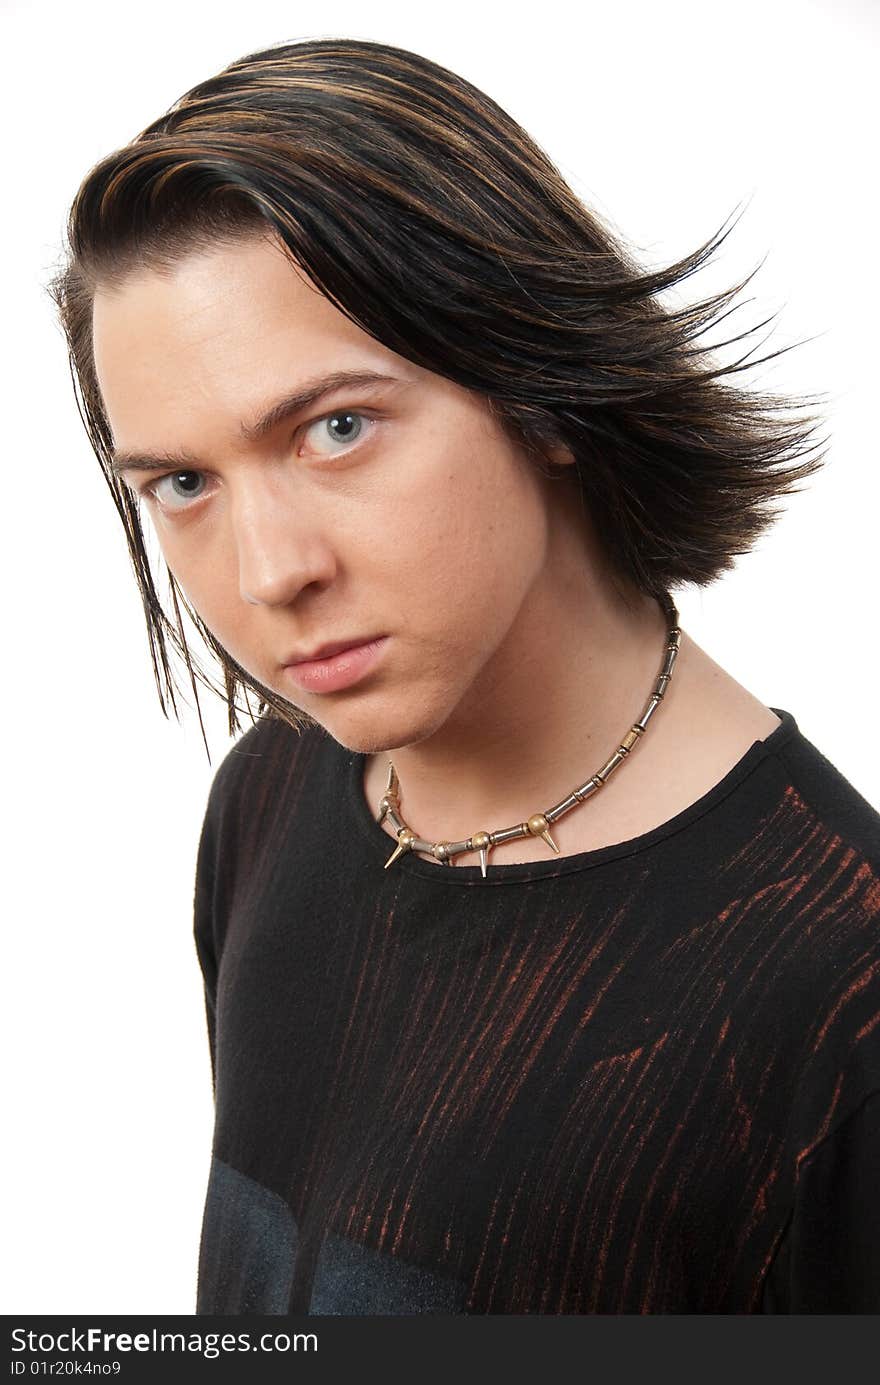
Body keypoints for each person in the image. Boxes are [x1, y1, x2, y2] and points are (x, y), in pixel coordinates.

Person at [50, 36, 880, 1315]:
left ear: (536, 386)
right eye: (184, 483)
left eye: (336, 428)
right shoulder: (272, 796)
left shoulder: (838, 986)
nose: (268, 572)